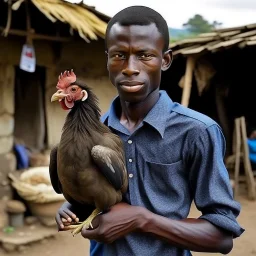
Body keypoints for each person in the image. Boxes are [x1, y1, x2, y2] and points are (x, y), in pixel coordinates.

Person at [55, 5, 244, 256]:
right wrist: (72, 206)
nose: (130, 67)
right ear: (108, 60)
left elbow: (222, 238)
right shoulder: (95, 131)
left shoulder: (197, 131)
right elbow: (101, 195)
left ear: (165, 60)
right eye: (119, 55)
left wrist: (142, 220)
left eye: (144, 55)